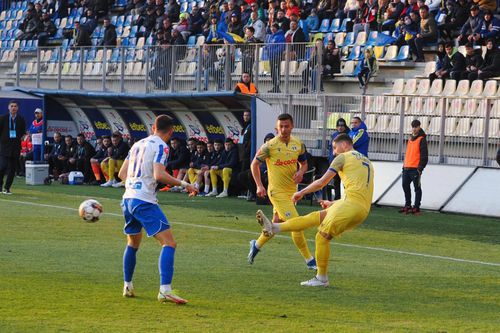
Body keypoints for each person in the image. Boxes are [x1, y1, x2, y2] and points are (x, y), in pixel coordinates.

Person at [255, 134, 374, 287]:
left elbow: (321, 182)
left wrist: (301, 192)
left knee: (321, 237)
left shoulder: (343, 157)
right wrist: (332, 203)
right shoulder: (367, 161)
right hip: (359, 207)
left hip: (351, 206)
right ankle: (274, 228)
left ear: (344, 145)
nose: (334, 152)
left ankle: (322, 278)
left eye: (334, 147)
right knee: (315, 217)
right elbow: (360, 192)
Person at [118, 115, 196, 303]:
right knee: (169, 243)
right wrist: (185, 184)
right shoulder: (162, 146)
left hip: (128, 199)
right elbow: (159, 175)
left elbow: (121, 174)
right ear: (171, 132)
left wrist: (137, 187)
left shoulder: (137, 144)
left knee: (133, 243)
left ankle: (127, 285)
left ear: (153, 127)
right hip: (143, 201)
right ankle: (165, 290)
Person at [247, 113, 316, 269]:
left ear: (292, 126)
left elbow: (304, 164)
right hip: (276, 192)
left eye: (286, 126)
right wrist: (259, 185)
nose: (284, 129)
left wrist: (300, 172)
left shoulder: (298, 144)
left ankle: (256, 245)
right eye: (281, 127)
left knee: (276, 224)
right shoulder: (269, 146)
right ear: (276, 128)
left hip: (292, 192)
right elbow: (254, 165)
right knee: (296, 223)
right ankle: (310, 260)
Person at [399, 119, 428, 215]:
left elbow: (424, 155)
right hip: (407, 167)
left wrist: (420, 168)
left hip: (415, 168)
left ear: (419, 127)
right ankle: (408, 205)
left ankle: (416, 207)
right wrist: (404, 166)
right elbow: (408, 154)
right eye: (413, 127)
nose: (414, 129)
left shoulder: (422, 139)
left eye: (416, 127)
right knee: (405, 186)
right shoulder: (410, 138)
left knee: (417, 188)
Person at [0, 101, 26, 194]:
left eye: (15, 106)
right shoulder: (3, 118)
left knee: (12, 169)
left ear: (17, 108)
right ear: (8, 107)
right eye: (12, 106)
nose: (13, 108)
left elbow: (23, 132)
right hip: (4, 147)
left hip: (15, 147)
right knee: (2, 167)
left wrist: (22, 138)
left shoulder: (21, 119)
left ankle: (7, 188)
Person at [329, 118, 350, 200]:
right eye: (339, 125)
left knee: (346, 181)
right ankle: (337, 199)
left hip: (345, 162)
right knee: (336, 181)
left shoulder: (348, 135)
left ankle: (347, 198)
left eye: (342, 125)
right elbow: (330, 148)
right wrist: (330, 158)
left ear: (345, 126)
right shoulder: (334, 135)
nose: (340, 127)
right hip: (335, 161)